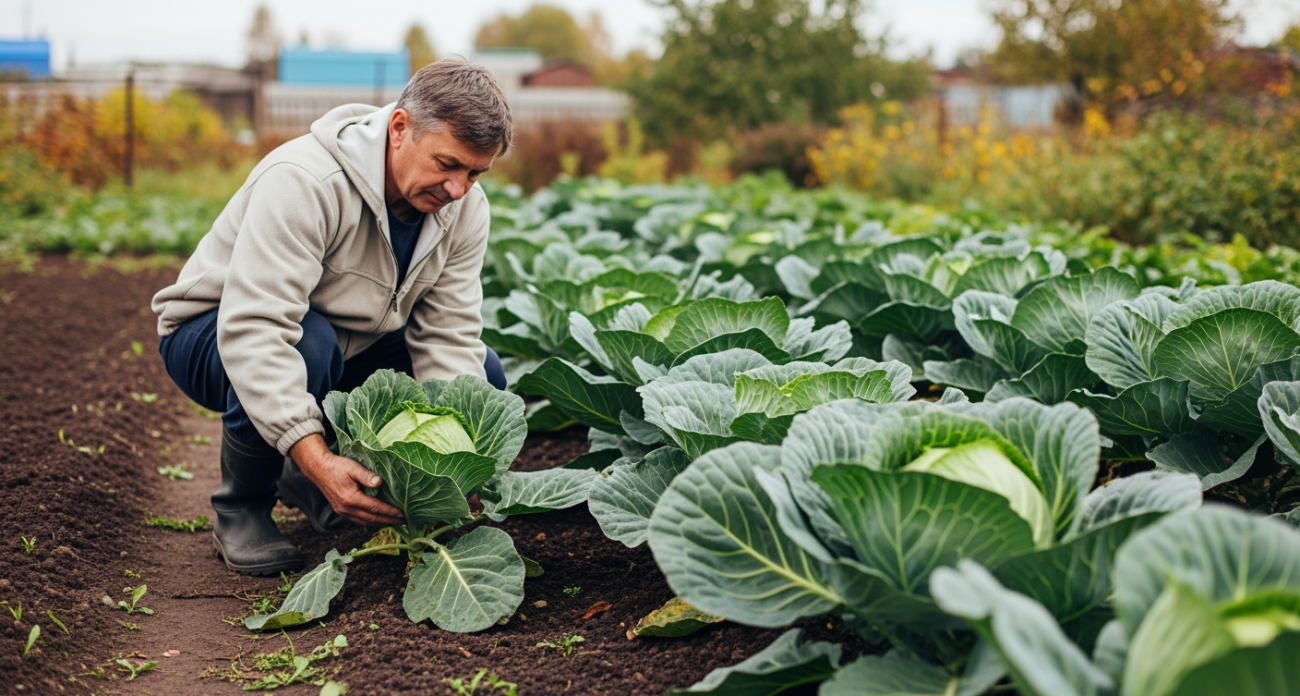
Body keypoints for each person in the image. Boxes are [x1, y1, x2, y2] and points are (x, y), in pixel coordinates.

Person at [151, 59, 512, 576]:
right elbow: (257, 329)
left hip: (349, 343)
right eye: (447, 164)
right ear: (399, 128)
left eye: (475, 173)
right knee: (307, 343)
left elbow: (447, 335)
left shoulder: (464, 210)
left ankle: (304, 474)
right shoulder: (305, 179)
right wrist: (314, 455)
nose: (457, 189)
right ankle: (242, 506)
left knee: (484, 375)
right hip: (214, 332)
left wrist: (455, 475)